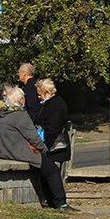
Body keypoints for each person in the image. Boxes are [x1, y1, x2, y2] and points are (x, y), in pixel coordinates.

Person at [0, 87, 70, 210]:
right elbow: (33, 137)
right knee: (52, 170)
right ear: (19, 100)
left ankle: (49, 200)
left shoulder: (3, 114)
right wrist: (44, 149)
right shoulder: (20, 115)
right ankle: (60, 203)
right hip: (20, 153)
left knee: (43, 170)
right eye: (23, 97)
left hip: (5, 151)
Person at [34, 79, 76, 211]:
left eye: (39, 93)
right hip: (50, 145)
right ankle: (52, 200)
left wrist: (44, 144)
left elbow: (53, 128)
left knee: (52, 173)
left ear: (46, 92)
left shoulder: (55, 104)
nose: (38, 96)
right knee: (47, 173)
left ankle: (58, 201)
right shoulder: (49, 103)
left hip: (54, 146)